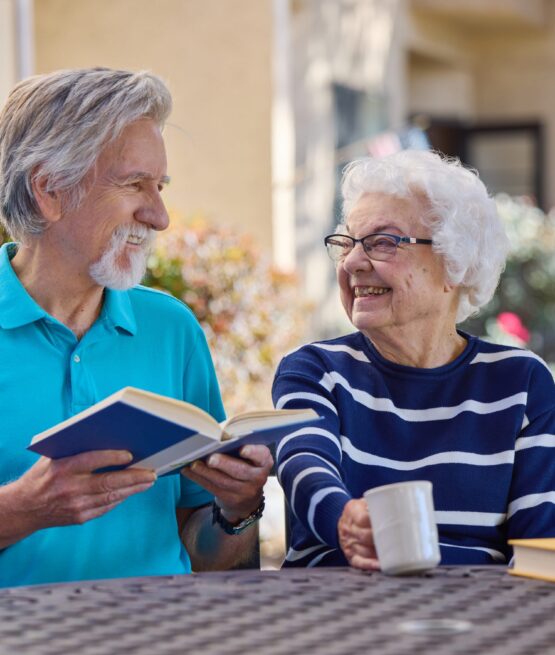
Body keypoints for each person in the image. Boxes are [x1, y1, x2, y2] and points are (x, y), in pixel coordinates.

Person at [0, 68, 273, 587]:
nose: (160, 216)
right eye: (134, 185)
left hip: (159, 649)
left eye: (161, 186)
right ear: (49, 190)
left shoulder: (171, 329)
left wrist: (236, 505)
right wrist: (23, 508)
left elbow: (208, 557)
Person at [272, 149, 555, 570]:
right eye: (347, 243)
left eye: (382, 243)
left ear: (455, 264)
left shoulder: (520, 383)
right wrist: (346, 522)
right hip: (335, 614)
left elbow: (539, 552)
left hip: (478, 619)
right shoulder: (316, 371)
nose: (351, 262)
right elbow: (305, 469)